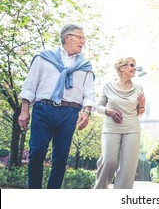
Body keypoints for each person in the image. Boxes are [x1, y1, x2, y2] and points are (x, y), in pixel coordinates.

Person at [18, 23, 95, 189]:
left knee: (61, 159)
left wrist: (87, 112)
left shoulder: (85, 66)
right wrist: (24, 110)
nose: (84, 41)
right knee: (36, 153)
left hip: (70, 112)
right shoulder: (43, 57)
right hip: (43, 109)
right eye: (80, 37)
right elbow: (30, 85)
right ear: (68, 37)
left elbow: (89, 92)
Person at [94, 56, 145, 189]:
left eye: (135, 65)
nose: (135, 68)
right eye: (131, 65)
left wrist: (143, 104)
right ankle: (99, 190)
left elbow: (139, 113)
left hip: (132, 128)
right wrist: (108, 111)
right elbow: (98, 106)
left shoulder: (139, 88)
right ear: (121, 68)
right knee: (109, 161)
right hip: (111, 128)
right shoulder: (108, 86)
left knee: (128, 166)